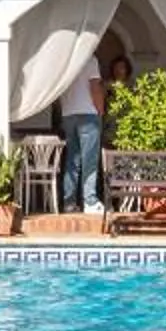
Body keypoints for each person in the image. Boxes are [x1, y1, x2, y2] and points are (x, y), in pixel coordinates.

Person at [60, 60, 106, 215]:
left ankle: (69, 203)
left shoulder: (67, 57)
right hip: (88, 113)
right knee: (90, 161)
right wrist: (100, 111)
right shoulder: (90, 59)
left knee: (72, 161)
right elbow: (95, 87)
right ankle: (90, 201)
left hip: (68, 114)